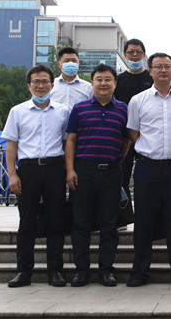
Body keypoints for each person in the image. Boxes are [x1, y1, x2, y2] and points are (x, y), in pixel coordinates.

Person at [126, 52, 171, 287]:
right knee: (143, 221)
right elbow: (134, 133)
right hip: (147, 167)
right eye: (158, 66)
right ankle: (139, 272)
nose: (163, 70)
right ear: (150, 71)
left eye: (167, 66)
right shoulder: (138, 100)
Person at [2, 65, 70, 288]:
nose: (41, 86)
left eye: (44, 81)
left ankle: (55, 271)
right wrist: (12, 174)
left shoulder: (63, 111)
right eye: (36, 82)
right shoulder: (18, 111)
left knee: (56, 221)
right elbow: (11, 145)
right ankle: (24, 272)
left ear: (52, 85)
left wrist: (68, 170)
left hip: (54, 169)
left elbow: (66, 143)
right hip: (28, 169)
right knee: (27, 222)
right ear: (28, 85)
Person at [66, 64, 130, 287]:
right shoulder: (79, 109)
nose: (103, 83)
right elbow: (71, 140)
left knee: (109, 225)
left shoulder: (123, 109)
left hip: (111, 173)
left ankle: (106, 270)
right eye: (99, 79)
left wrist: (116, 159)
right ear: (92, 83)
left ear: (115, 83)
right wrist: (70, 169)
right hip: (84, 172)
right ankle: (81, 271)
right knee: (81, 223)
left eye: (108, 79)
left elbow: (126, 140)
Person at [113, 39, 153, 229]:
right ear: (125, 55)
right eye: (131, 52)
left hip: (148, 136)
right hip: (124, 136)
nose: (134, 55)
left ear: (144, 55)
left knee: (147, 178)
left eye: (138, 52)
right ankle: (123, 217)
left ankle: (148, 218)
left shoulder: (151, 79)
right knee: (121, 175)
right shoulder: (118, 81)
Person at [49, 47, 93, 112]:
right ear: (59, 64)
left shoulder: (88, 87)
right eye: (66, 61)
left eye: (74, 61)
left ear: (78, 63)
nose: (70, 64)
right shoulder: (51, 85)